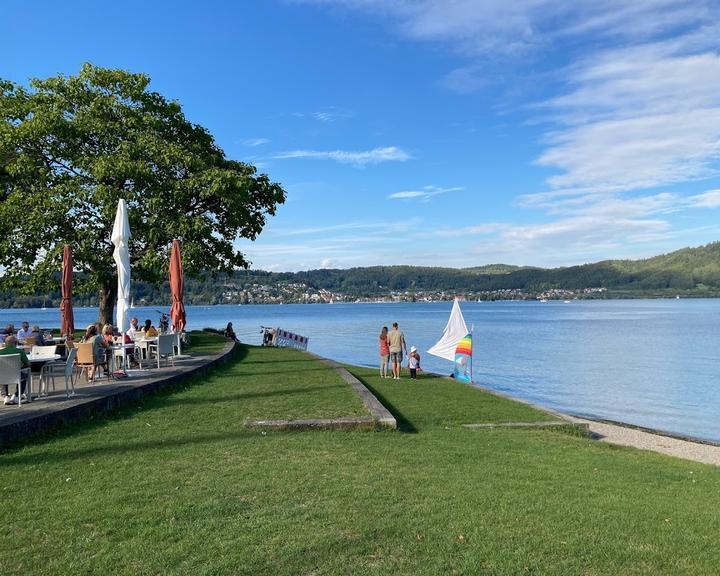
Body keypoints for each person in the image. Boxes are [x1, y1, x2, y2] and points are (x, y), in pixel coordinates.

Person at [0, 335, 30, 404]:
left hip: (3, 376)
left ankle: (5, 396)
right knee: (24, 375)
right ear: (15, 343)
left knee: (2, 374)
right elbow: (28, 364)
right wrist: (22, 366)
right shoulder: (20, 351)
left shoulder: (0, 352)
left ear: (6, 343)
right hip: (17, 375)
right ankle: (17, 395)